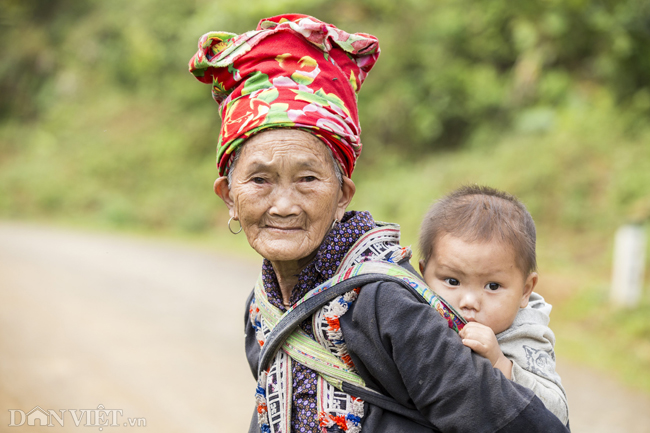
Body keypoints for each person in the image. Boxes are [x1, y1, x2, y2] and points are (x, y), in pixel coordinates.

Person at [189, 13, 570, 432]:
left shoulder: (383, 302)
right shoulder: (263, 305)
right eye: (260, 180)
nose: (283, 205)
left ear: (342, 195)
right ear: (229, 196)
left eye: (308, 179)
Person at [418, 185, 569, 425]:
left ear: (525, 290)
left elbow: (557, 414)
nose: (469, 302)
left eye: (493, 286)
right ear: (424, 275)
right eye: (452, 281)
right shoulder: (413, 314)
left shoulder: (525, 336)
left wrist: (500, 363)